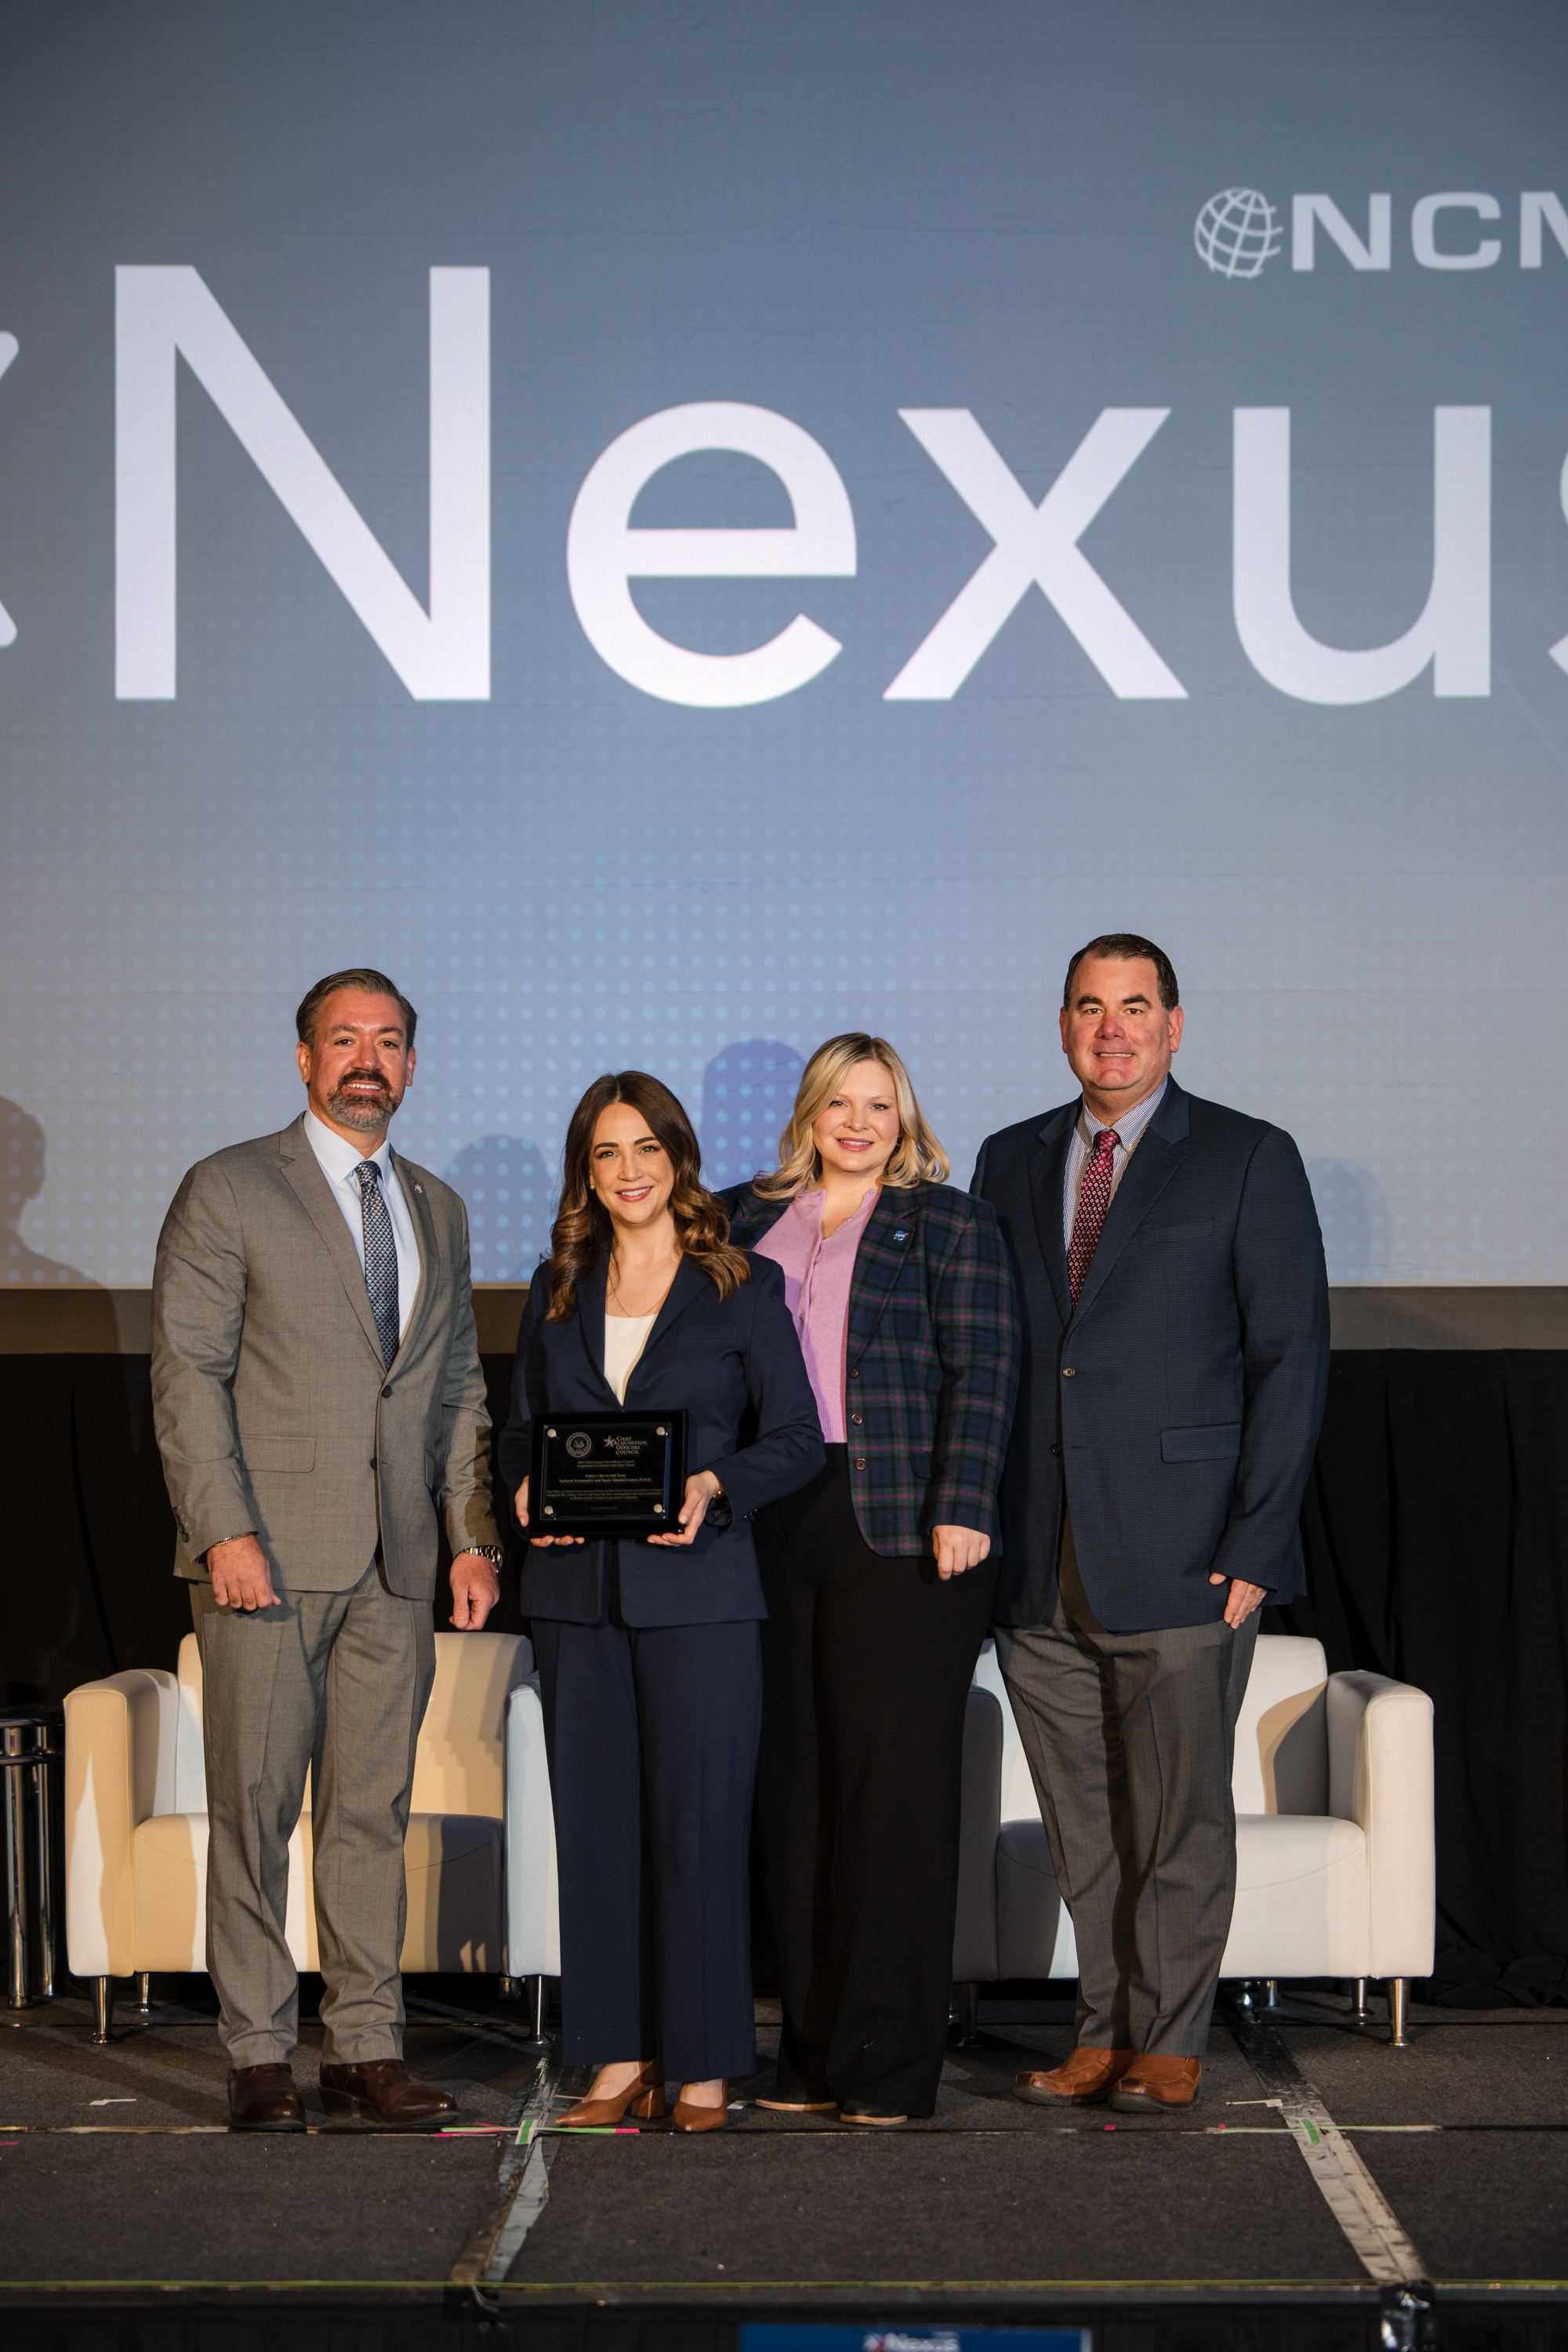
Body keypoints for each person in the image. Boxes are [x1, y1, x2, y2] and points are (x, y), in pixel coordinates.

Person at [971, 934, 1330, 2114]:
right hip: (1039, 1559)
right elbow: (995, 1362)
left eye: (1135, 1007)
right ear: (1062, 1023)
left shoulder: (1244, 1157)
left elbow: (1291, 1363)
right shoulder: (1008, 1159)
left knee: (1177, 1820)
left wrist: (1257, 1543)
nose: (1110, 1028)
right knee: (1085, 1833)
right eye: (1089, 1006)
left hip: (1187, 1554)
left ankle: (1169, 2040)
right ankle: (1101, 2030)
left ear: (1175, 1026)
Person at [151, 967, 504, 2132]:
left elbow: (455, 1386)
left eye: (390, 1041)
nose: (368, 1060)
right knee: (254, 1814)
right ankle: (258, 2053)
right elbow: (187, 1377)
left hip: (399, 1564)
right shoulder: (229, 1187)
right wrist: (224, 1531)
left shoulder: (439, 1208)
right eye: (345, 1040)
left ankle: (363, 2048)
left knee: (370, 1816)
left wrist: (467, 1534)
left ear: (412, 1063)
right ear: (303, 1059)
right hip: (267, 1559)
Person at [500, 1072, 823, 2133]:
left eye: (645, 1148)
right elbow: (520, 1429)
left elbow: (790, 1438)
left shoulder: (741, 1285)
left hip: (700, 1600)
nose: (628, 1171)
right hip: (574, 1598)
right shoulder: (556, 1284)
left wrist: (713, 1485)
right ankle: (613, 2059)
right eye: (605, 1154)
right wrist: (518, 1491)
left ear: (677, 1158)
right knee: (595, 1832)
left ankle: (703, 2065)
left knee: (698, 1835)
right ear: (584, 1174)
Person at [724, 1035, 1021, 2125]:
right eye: (839, 1103)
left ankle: (889, 2068)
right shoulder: (741, 1221)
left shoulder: (948, 1221)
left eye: (880, 1106)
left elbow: (985, 1369)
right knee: (794, 1800)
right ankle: (811, 2058)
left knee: (888, 1803)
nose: (858, 1123)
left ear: (905, 1118)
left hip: (900, 1527)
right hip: (765, 1524)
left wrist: (965, 1504)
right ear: (807, 1111)